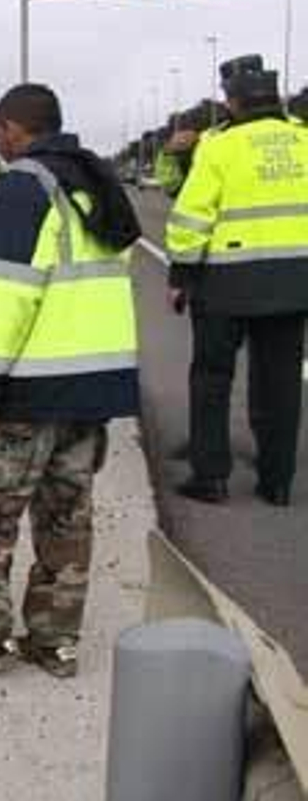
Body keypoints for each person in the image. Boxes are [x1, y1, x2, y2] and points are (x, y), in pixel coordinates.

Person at [0, 84, 141, 678]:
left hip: (30, 387)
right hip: (92, 387)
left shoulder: (22, 185)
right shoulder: (94, 184)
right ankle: (53, 640)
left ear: (12, 128)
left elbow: (4, 292)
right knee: (67, 516)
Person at [168, 57, 308, 507]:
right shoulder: (304, 140)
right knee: (282, 383)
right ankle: (277, 481)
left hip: (226, 282)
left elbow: (191, 218)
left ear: (233, 103)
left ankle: (211, 477)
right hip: (295, 282)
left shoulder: (219, 146)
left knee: (211, 378)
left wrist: (182, 273)